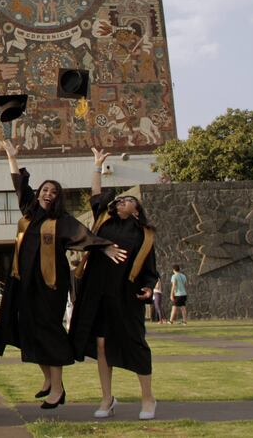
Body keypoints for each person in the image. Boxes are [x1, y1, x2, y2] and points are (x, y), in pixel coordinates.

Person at [0, 139, 125, 410]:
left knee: (49, 331)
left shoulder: (60, 221)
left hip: (50, 286)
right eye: (45, 189)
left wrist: (106, 246)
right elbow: (19, 185)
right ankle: (48, 380)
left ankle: (58, 387)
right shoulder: (28, 214)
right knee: (28, 331)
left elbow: (83, 236)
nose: (48, 193)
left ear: (57, 197)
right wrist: (12, 157)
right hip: (23, 283)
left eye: (53, 191)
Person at [69, 148, 159, 421]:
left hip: (125, 294)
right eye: (119, 199)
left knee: (135, 343)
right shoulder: (103, 220)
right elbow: (97, 194)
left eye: (127, 200)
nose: (120, 202)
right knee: (101, 345)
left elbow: (149, 268)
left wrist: (147, 285)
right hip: (97, 291)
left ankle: (148, 398)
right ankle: (107, 398)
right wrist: (97, 166)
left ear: (137, 209)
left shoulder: (144, 235)